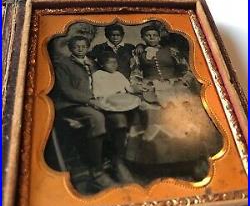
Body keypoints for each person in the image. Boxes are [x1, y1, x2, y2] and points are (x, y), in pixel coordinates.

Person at [125, 22, 223, 181]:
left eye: (154, 35)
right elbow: (135, 74)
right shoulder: (138, 54)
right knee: (154, 118)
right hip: (153, 89)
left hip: (175, 87)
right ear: (143, 38)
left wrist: (181, 82)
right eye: (148, 36)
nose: (152, 38)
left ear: (159, 37)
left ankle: (192, 161)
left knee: (184, 117)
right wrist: (143, 86)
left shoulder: (171, 51)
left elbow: (187, 70)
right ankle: (162, 167)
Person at [50, 35, 117, 192]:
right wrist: (90, 100)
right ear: (71, 48)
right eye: (76, 46)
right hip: (72, 105)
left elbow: (101, 81)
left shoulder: (92, 63)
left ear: (87, 47)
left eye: (83, 46)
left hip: (95, 101)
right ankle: (97, 172)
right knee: (97, 117)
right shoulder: (63, 64)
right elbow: (66, 90)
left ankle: (115, 162)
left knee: (118, 115)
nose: (80, 49)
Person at [92, 52, 137, 183]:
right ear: (101, 64)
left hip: (125, 101)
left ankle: (134, 154)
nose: (114, 65)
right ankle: (118, 159)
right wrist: (112, 95)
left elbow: (129, 89)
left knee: (140, 114)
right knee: (119, 120)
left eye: (115, 62)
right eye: (109, 63)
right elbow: (98, 94)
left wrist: (137, 88)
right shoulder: (98, 76)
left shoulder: (119, 75)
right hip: (110, 103)